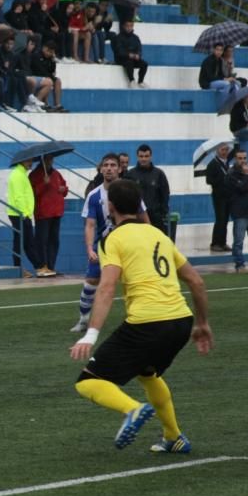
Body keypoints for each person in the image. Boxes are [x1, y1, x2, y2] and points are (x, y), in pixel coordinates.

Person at [69, 178, 213, 453]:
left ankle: (132, 410)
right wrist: (202, 323)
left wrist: (90, 334)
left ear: (110, 207)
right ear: (138, 205)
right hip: (181, 321)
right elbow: (196, 282)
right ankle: (174, 437)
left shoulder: (112, 238)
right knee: (148, 373)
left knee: (88, 382)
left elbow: (107, 286)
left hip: (148, 322)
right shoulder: (158, 234)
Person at [72, 153, 148, 333]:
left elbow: (145, 218)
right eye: (105, 165)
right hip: (105, 246)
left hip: (130, 244)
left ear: (120, 169)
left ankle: (141, 317)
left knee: (136, 279)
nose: (109, 168)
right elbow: (90, 224)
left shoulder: (130, 190)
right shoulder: (94, 195)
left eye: (113, 165)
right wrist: (90, 248)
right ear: (100, 169)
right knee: (91, 280)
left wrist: (147, 241)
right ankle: (83, 319)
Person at [29, 154, 67, 277]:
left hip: (56, 212)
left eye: (51, 159)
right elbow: (32, 193)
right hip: (43, 213)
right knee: (42, 241)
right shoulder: (34, 175)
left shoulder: (56, 173)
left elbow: (65, 188)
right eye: (48, 159)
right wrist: (43, 184)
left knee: (54, 241)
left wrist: (64, 189)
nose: (50, 161)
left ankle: (51, 267)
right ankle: (43, 266)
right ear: (42, 160)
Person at [126, 144, 170, 235]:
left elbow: (165, 194)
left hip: (156, 219)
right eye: (141, 156)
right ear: (137, 157)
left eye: (146, 156)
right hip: (136, 218)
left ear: (151, 156)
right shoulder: (130, 174)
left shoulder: (159, 174)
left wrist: (162, 213)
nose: (144, 159)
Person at [6, 155, 39, 277]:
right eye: (28, 160)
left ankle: (22, 268)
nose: (31, 162)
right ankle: (37, 267)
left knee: (22, 242)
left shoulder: (20, 174)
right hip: (20, 214)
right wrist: (24, 214)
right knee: (25, 242)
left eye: (31, 160)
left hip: (20, 214)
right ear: (22, 161)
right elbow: (19, 197)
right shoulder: (18, 175)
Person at [204, 142, 232, 252]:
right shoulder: (213, 164)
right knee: (220, 219)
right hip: (218, 196)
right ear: (217, 151)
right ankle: (215, 243)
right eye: (222, 150)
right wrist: (222, 179)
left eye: (226, 150)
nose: (225, 152)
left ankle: (223, 242)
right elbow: (209, 180)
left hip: (227, 195)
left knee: (225, 220)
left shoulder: (227, 163)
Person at [112, 20, 148, 88]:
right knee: (129, 62)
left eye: (130, 26)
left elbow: (139, 48)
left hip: (133, 58)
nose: (129, 28)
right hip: (122, 59)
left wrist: (138, 55)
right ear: (123, 26)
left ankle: (140, 81)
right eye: (127, 26)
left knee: (144, 64)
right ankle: (132, 80)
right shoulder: (119, 37)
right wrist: (128, 55)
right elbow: (119, 51)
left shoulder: (135, 37)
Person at [31, 40, 66, 112]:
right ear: (44, 48)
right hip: (36, 76)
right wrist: (51, 76)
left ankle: (57, 105)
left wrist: (53, 61)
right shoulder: (36, 56)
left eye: (52, 52)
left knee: (57, 81)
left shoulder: (50, 59)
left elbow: (52, 71)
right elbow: (40, 71)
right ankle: (38, 102)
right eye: (48, 51)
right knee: (49, 81)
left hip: (46, 76)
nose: (49, 53)